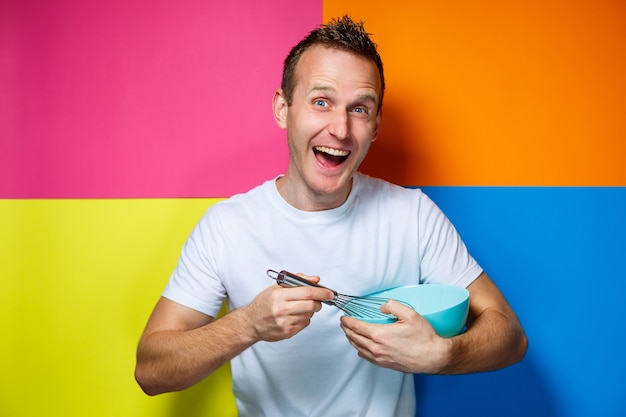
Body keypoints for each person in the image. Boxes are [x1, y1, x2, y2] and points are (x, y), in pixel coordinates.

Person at [135, 15, 527, 416]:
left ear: (375, 126)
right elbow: (150, 371)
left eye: (359, 109)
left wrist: (440, 355)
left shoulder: (412, 215)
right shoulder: (227, 226)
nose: (340, 129)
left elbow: (510, 335)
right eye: (321, 102)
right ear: (283, 108)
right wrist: (248, 324)